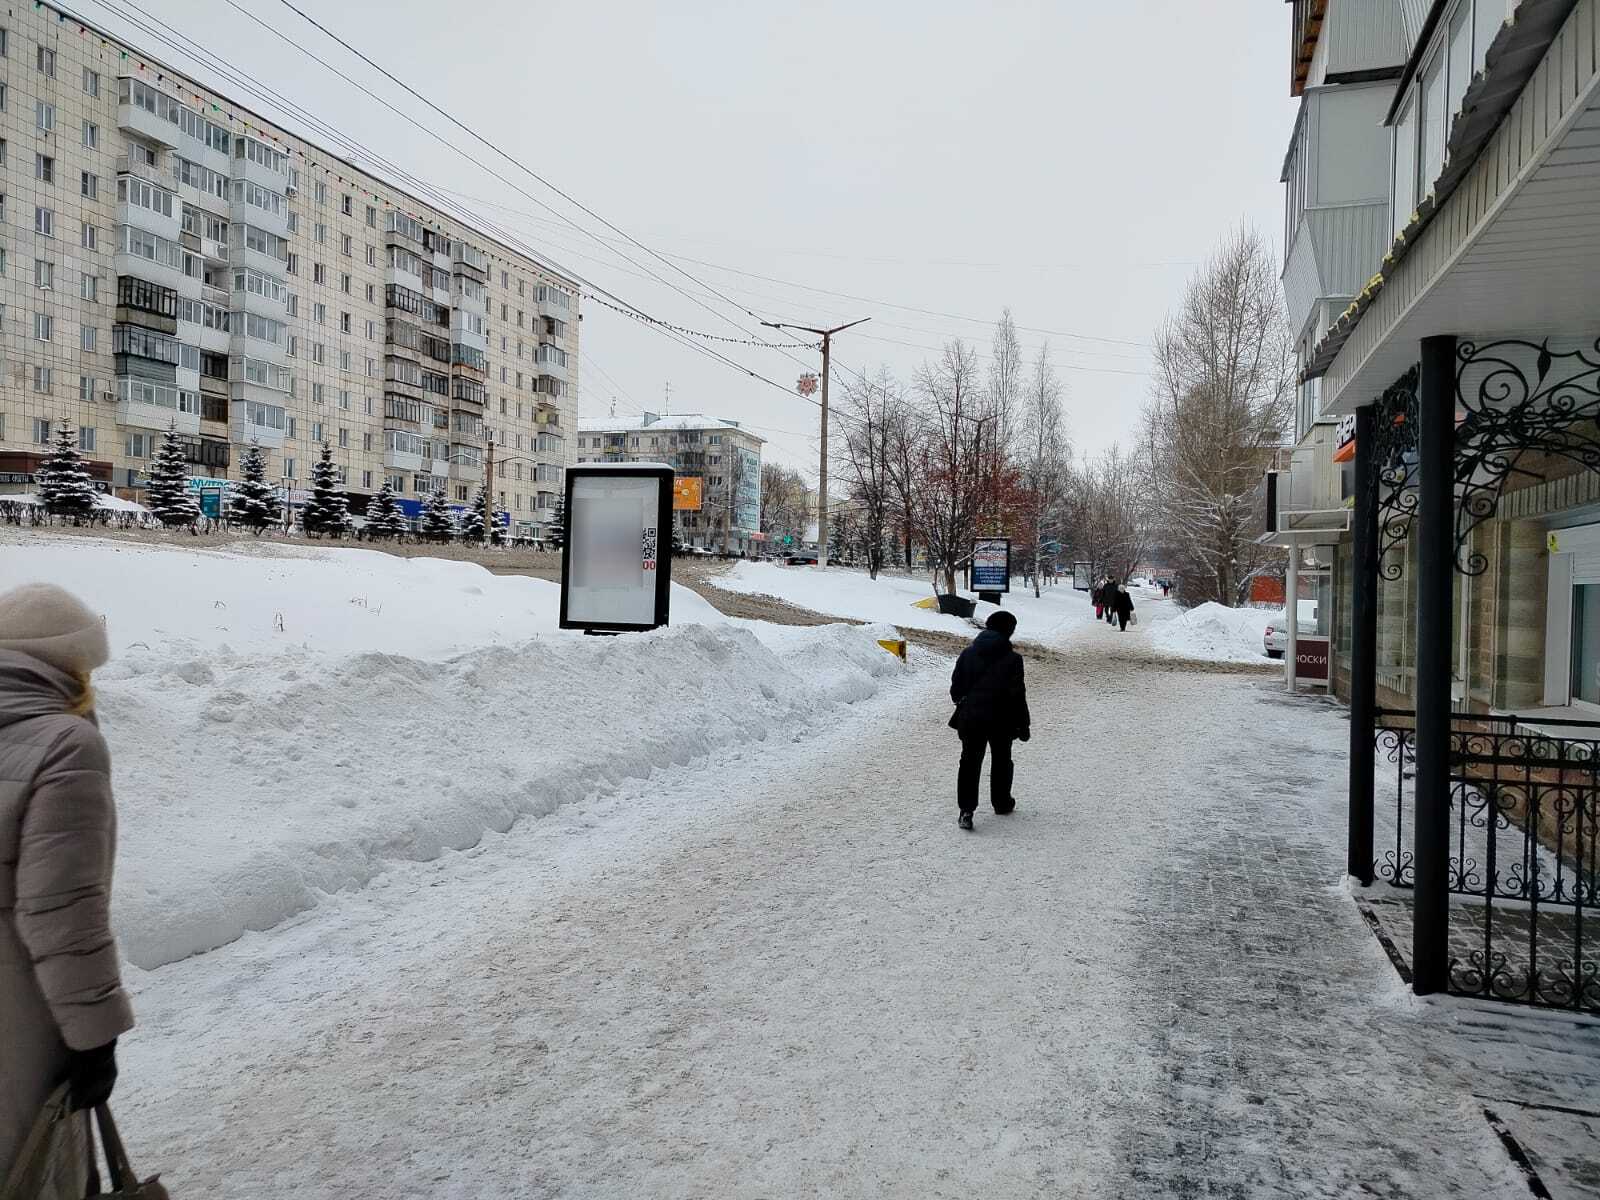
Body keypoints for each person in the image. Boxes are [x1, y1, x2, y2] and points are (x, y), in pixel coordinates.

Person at [0, 583, 134, 1185]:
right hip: (19, 1012)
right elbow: (61, 910)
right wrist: (93, 1037)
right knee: (34, 1169)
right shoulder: (65, 743)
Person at [948, 610, 1031, 831]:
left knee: (969, 763)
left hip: (972, 718)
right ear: (1009, 631)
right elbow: (1017, 694)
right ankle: (1002, 802)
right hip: (1002, 719)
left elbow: (956, 688)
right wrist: (1024, 724)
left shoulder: (968, 654)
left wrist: (967, 705)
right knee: (1002, 760)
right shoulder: (1014, 659)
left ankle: (966, 811)